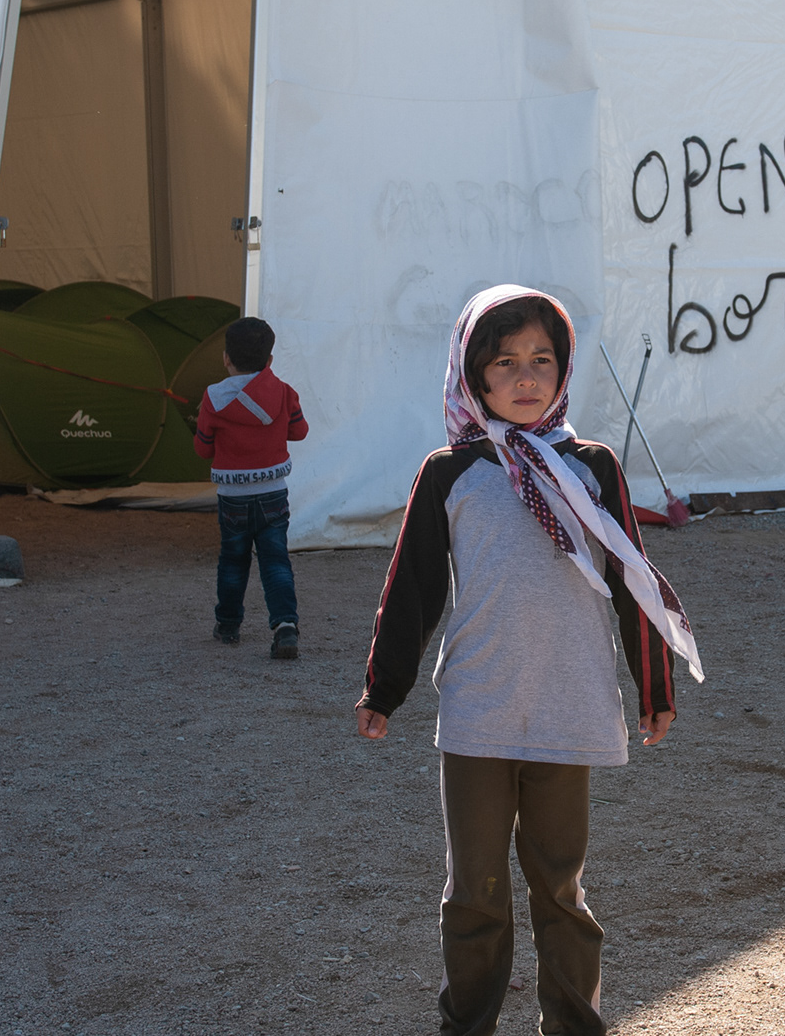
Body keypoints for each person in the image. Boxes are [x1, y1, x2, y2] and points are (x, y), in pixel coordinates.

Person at [355, 285, 704, 1036]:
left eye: (542, 359)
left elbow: (630, 579)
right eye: (505, 361)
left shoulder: (593, 467)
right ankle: (467, 1024)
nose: (525, 376)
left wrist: (654, 684)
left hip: (569, 706)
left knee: (561, 889)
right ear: (472, 374)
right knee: (473, 893)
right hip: (480, 712)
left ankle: (576, 1026)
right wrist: (384, 689)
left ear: (564, 367)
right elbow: (411, 586)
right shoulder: (450, 471)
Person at [193, 317, 309, 659]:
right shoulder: (285, 392)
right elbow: (299, 432)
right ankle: (285, 626)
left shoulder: (213, 398)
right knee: (275, 561)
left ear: (226, 358)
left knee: (233, 561)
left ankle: (228, 625)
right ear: (270, 360)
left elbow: (203, 449)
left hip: (233, 498)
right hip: (273, 492)